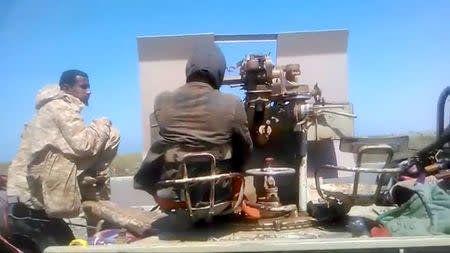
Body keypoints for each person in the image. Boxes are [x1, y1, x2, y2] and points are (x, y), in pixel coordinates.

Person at [5, 70, 120, 250]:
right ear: (66, 88)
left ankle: (91, 181)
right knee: (112, 135)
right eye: (83, 86)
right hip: (41, 195)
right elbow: (84, 145)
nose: (89, 91)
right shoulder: (61, 107)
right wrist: (102, 124)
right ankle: (94, 180)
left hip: (29, 194)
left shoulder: (45, 110)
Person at [134, 45, 253, 210]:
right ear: (219, 72)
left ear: (189, 69)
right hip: (218, 196)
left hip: (171, 196)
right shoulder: (232, 104)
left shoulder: (162, 100)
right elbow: (245, 150)